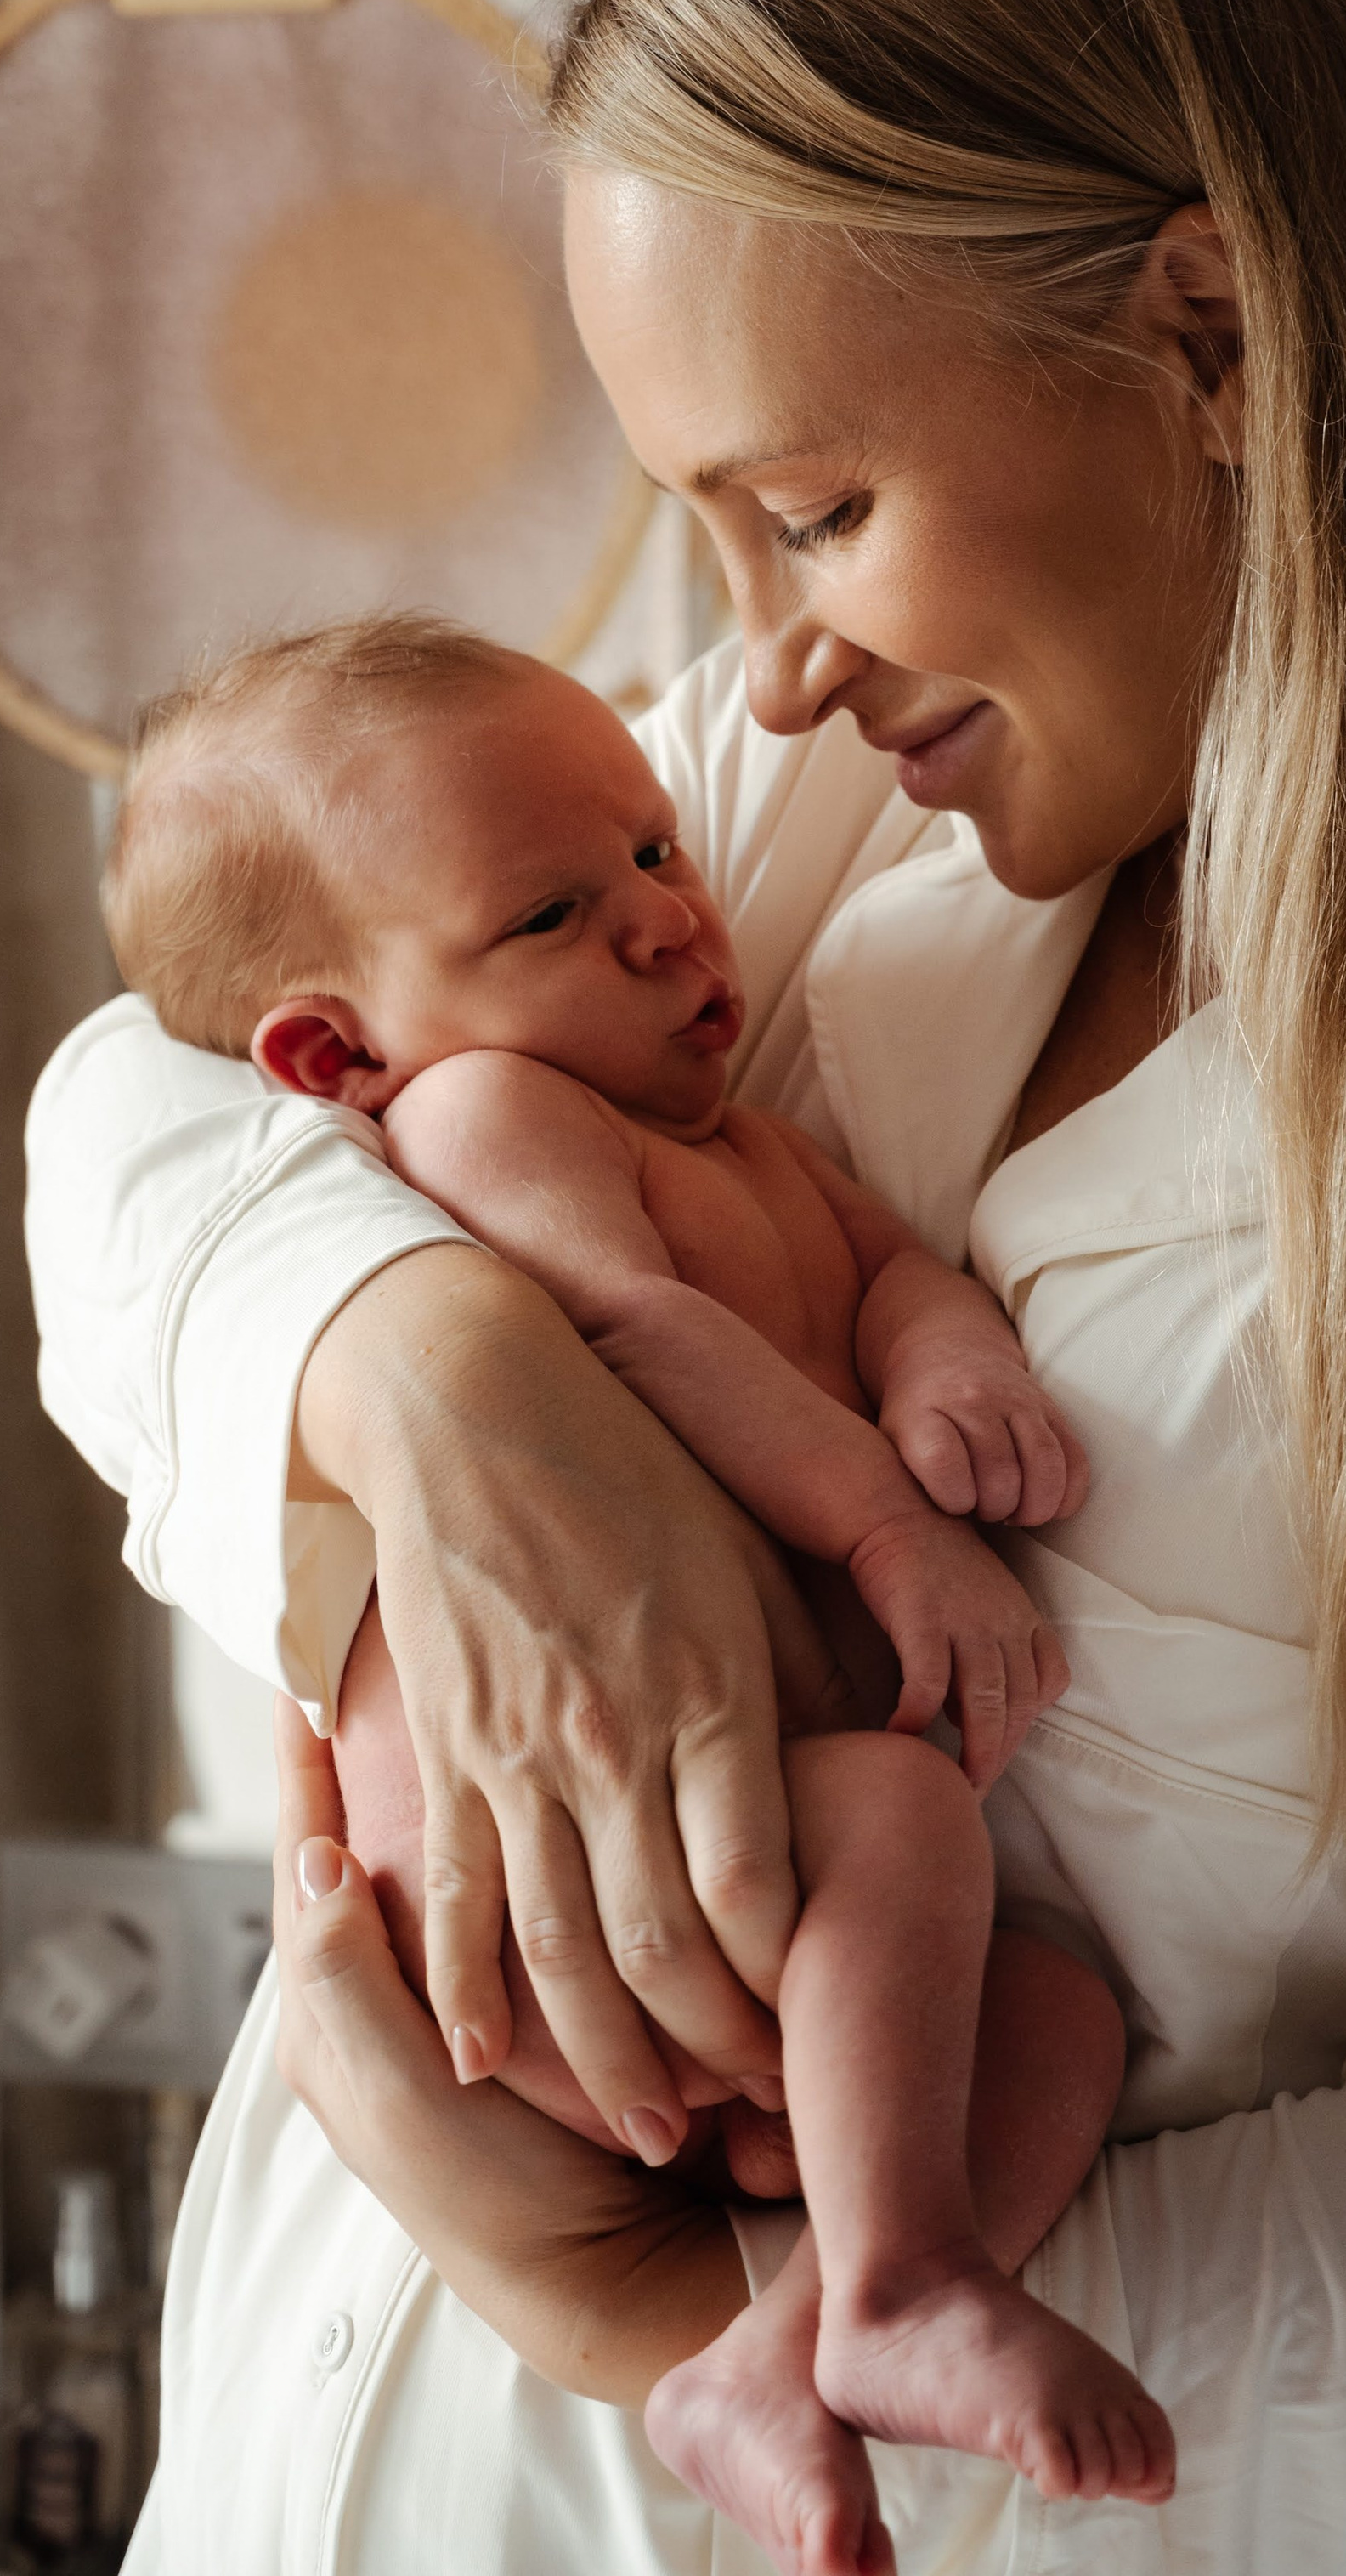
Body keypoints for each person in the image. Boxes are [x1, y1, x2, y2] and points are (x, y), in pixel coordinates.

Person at [26, 0, 1346, 2575]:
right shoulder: (806, 838)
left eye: (813, 506)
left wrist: (638, 2316)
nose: (751, 670)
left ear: (1212, 330)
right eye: (707, 534)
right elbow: (160, 1075)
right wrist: (426, 1376)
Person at [94, 615, 1171, 2560]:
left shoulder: (730, 1128)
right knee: (903, 1819)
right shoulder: (489, 1121)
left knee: (1061, 2016)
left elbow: (886, 1271)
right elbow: (627, 1335)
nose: (673, 923)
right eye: (556, 913)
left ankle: (803, 2327)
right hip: (542, 1904)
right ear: (335, 1050)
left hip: (709, 1876)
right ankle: (900, 2282)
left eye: (661, 854)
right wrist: (888, 1526)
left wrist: (947, 1364)